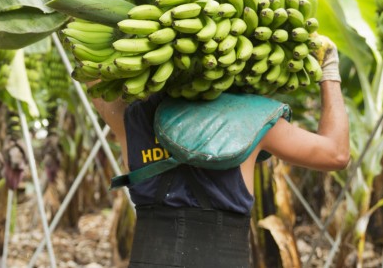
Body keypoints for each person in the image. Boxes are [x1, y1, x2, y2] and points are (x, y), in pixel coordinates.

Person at [90, 35, 350, 267]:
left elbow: (93, 74)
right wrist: (328, 69)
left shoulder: (133, 118)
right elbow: (336, 154)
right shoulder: (253, 118)